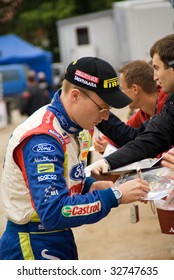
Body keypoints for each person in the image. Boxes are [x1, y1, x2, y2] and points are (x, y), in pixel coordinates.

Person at [0, 57, 150, 260]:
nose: (106, 117)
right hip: (31, 242)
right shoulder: (42, 139)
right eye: (103, 107)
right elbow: (53, 212)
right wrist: (115, 196)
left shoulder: (73, 126)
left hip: (54, 237)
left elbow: (62, 177)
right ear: (76, 95)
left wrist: (88, 186)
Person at [90, 34, 174, 178]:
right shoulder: (147, 113)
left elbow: (146, 141)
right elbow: (136, 139)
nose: (155, 77)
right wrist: (109, 159)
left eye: (157, 68)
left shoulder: (167, 101)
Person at [93, 60, 167, 155]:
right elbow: (125, 135)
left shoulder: (168, 105)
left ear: (135, 89)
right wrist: (106, 144)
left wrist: (100, 108)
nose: (122, 94)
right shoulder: (143, 114)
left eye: (123, 89)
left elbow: (131, 137)